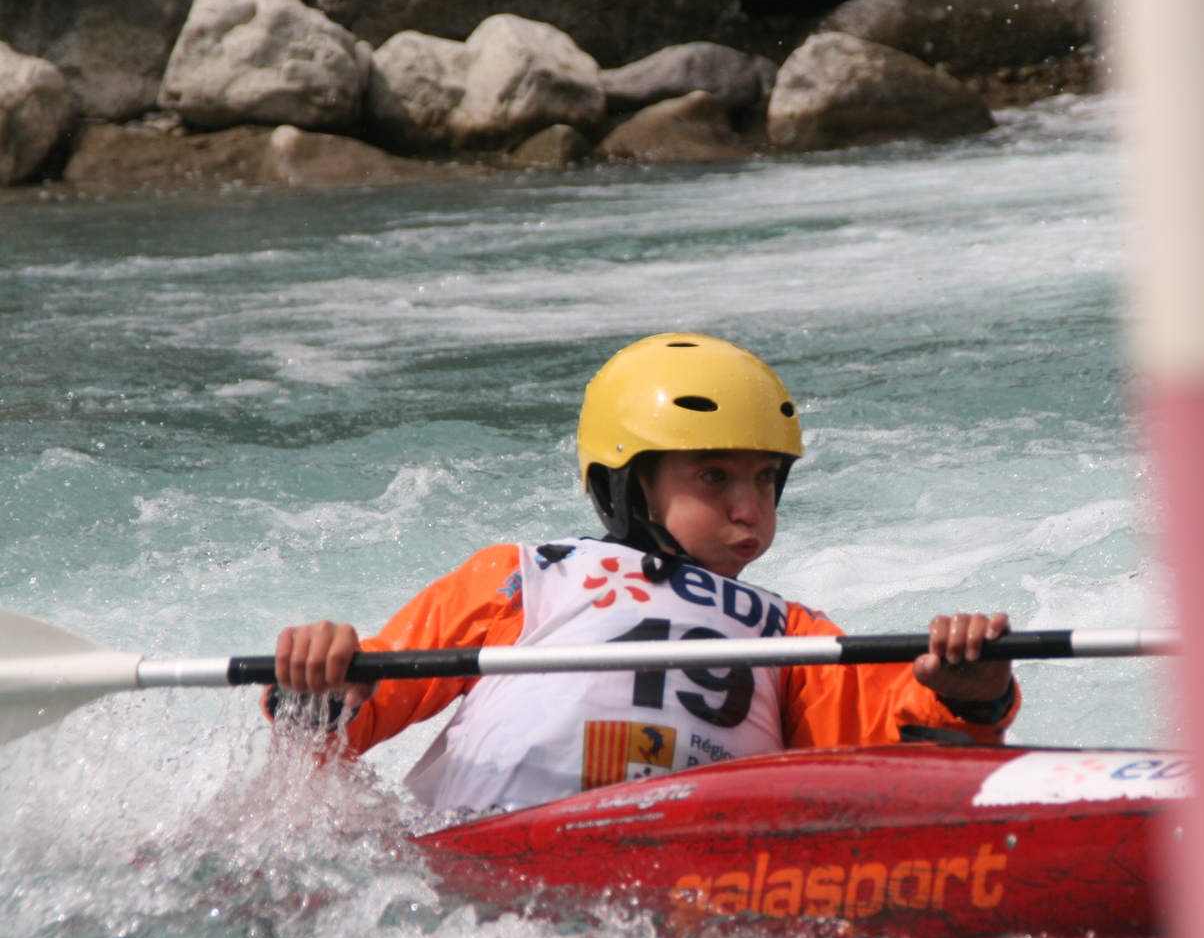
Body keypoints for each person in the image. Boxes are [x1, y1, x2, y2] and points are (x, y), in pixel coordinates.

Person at [270, 333, 1019, 813]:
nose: (749, 508)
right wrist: (322, 683)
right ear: (628, 487)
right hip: (489, 836)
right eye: (714, 477)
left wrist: (966, 691)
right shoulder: (524, 577)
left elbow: (900, 749)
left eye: (765, 479)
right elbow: (349, 720)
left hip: (692, 853)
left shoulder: (790, 632)